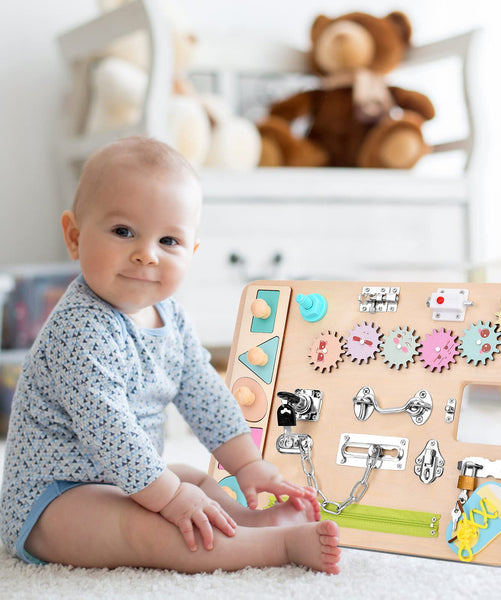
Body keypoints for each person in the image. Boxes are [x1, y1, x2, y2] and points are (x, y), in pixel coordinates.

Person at [0, 137, 341, 574]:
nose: (146, 253)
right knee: (149, 527)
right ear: (74, 236)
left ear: (192, 252)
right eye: (123, 232)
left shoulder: (171, 315)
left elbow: (201, 391)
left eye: (169, 240)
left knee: (196, 479)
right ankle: (276, 549)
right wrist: (170, 497)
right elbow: (110, 431)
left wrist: (248, 464)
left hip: (126, 478)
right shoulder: (79, 328)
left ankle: (251, 523)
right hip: (54, 500)